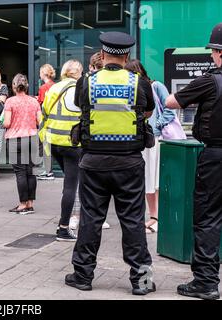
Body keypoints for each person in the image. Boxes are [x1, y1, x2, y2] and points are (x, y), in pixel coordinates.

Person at [66, 32, 156, 295]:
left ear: (103, 54)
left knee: (90, 220)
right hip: (129, 162)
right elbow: (148, 109)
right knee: (133, 221)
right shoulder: (140, 83)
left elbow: (80, 106)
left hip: (93, 161)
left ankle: (82, 276)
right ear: (126, 56)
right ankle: (142, 282)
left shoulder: (86, 82)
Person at [165, 22, 222, 300]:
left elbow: (171, 101)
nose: (211, 55)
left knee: (208, 217)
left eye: (212, 51)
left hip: (215, 157)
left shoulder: (210, 80)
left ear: (219, 52)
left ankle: (207, 282)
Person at [125, 59, 177, 234]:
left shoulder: (156, 86)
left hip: (157, 138)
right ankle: (153, 216)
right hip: (142, 140)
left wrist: (158, 125)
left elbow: (170, 108)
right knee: (148, 179)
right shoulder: (133, 89)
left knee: (156, 179)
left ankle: (158, 217)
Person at [39, 60, 83, 241]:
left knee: (71, 183)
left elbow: (44, 112)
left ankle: (69, 222)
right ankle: (63, 227)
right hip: (73, 144)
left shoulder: (54, 89)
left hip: (54, 142)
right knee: (71, 186)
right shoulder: (80, 89)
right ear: (79, 72)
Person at [68, 53, 110, 231]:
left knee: (88, 181)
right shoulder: (93, 82)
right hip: (104, 137)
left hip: (91, 138)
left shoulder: (86, 82)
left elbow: (79, 104)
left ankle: (80, 216)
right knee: (99, 182)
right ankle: (87, 216)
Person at [3, 74, 41, 214]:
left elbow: (6, 123)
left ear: (14, 86)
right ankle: (30, 203)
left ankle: (22, 204)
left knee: (20, 173)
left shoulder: (10, 102)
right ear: (27, 86)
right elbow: (39, 121)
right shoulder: (34, 102)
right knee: (31, 172)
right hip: (32, 138)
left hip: (15, 139)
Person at [36, 63, 56, 181]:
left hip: (45, 120)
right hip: (54, 119)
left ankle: (48, 172)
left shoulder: (43, 88)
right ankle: (48, 170)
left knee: (45, 146)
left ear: (44, 73)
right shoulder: (55, 86)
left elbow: (43, 105)